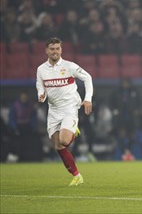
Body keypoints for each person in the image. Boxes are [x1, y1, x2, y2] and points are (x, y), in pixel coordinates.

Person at [36, 37, 93, 186]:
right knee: (58, 146)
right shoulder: (41, 69)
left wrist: (87, 99)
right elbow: (40, 85)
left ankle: (74, 130)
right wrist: (41, 94)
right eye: (52, 49)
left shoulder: (69, 66)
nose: (55, 51)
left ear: (61, 50)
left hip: (69, 108)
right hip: (53, 110)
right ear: (46, 50)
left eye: (57, 49)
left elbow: (87, 78)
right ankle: (76, 175)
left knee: (64, 140)